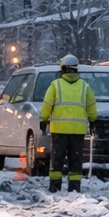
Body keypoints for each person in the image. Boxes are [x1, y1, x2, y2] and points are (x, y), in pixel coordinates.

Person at [39, 54, 98, 193]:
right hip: (78, 131)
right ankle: (74, 188)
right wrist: (93, 121)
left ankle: (55, 187)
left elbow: (47, 104)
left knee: (57, 159)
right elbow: (91, 106)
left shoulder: (55, 85)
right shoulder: (84, 86)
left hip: (59, 130)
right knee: (75, 160)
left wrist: (44, 119)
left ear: (63, 69)